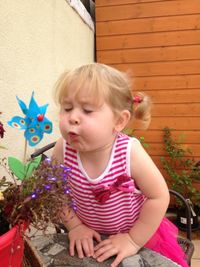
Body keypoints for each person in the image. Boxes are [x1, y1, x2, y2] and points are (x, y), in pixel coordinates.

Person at [52, 63, 189, 267]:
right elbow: (54, 192)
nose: (72, 117)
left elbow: (159, 196)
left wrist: (133, 239)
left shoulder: (129, 152)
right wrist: (74, 226)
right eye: (67, 108)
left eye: (87, 110)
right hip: (91, 236)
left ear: (119, 121)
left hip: (138, 234)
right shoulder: (63, 149)